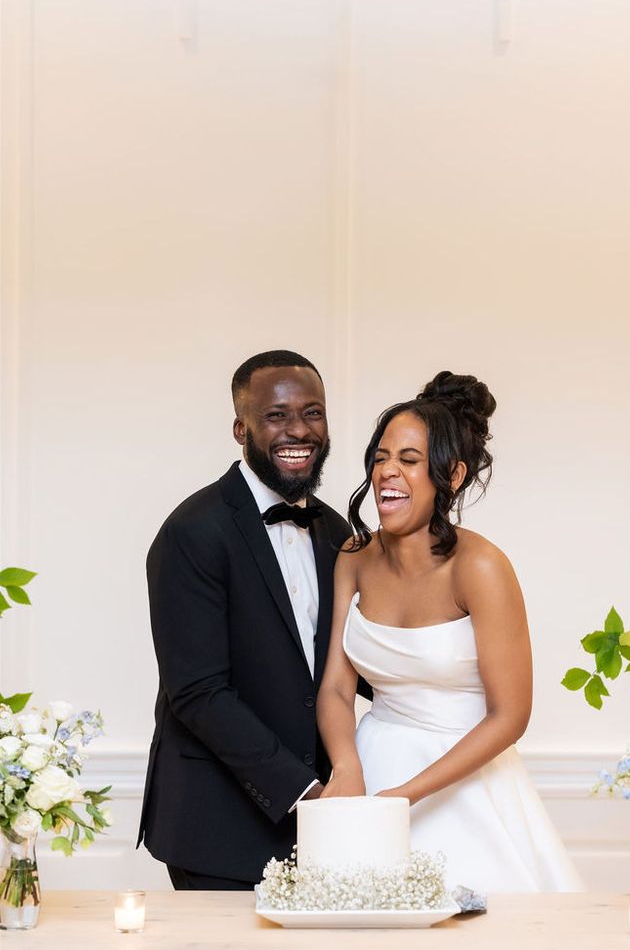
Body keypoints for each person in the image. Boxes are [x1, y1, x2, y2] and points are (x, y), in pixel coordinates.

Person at [316, 370, 584, 893]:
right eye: (380, 458)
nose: (387, 472)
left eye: (409, 461)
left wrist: (405, 796)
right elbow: (335, 686)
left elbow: (510, 716)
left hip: (464, 781)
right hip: (372, 767)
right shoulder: (354, 557)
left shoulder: (480, 567)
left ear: (452, 475)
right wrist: (348, 766)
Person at [138, 350, 352, 890]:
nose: (298, 430)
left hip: (325, 826)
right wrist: (303, 792)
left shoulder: (335, 531)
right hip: (217, 827)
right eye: (276, 415)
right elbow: (198, 692)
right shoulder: (193, 531)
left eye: (313, 412)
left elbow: (350, 664)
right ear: (241, 428)